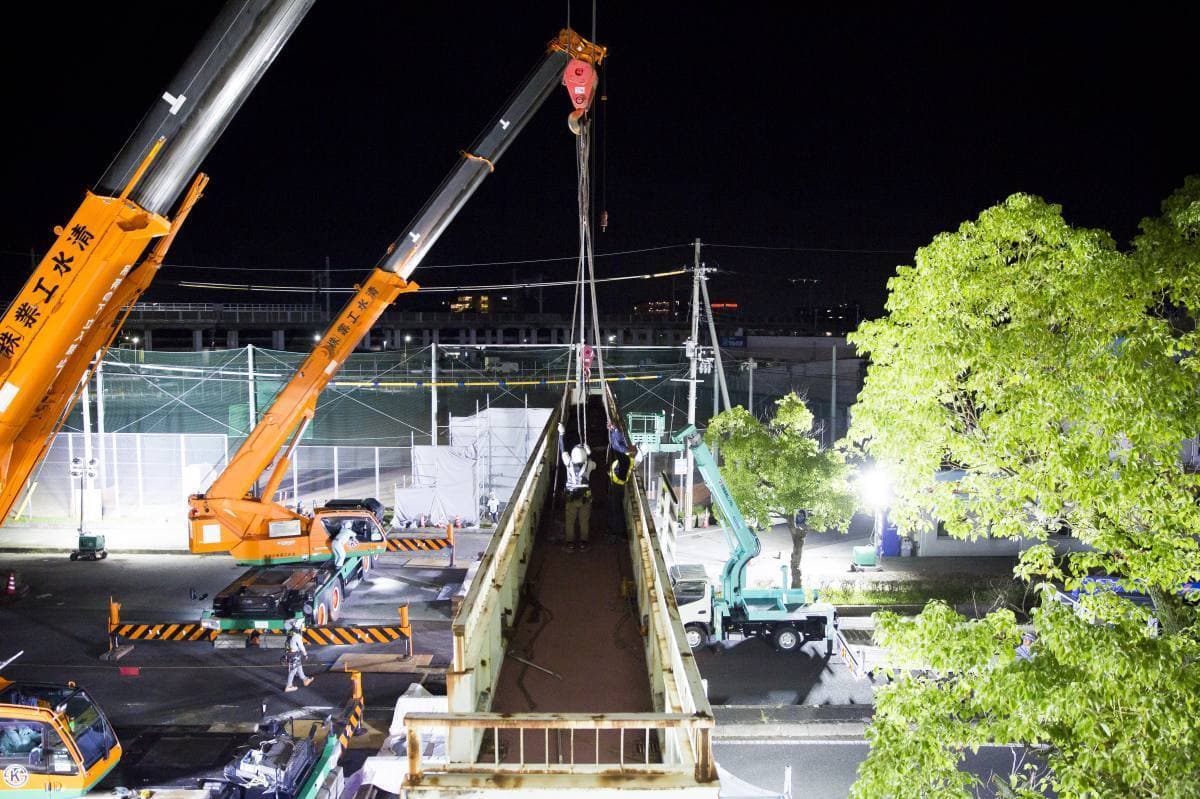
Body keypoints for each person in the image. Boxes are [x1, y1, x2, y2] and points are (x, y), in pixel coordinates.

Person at [558, 422, 595, 551]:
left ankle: (570, 543)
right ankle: (583, 542)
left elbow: (563, 450)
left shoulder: (568, 463)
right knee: (584, 520)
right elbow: (594, 463)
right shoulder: (589, 464)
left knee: (570, 520)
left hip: (571, 496)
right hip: (585, 497)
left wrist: (562, 433)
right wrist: (589, 452)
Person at [283, 622, 314, 692]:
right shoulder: (297, 635)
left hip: (290, 653)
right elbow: (301, 646)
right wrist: (305, 654)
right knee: (293, 671)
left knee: (299, 666)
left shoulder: (290, 633)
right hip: (294, 654)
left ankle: (305, 679)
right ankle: (288, 686)